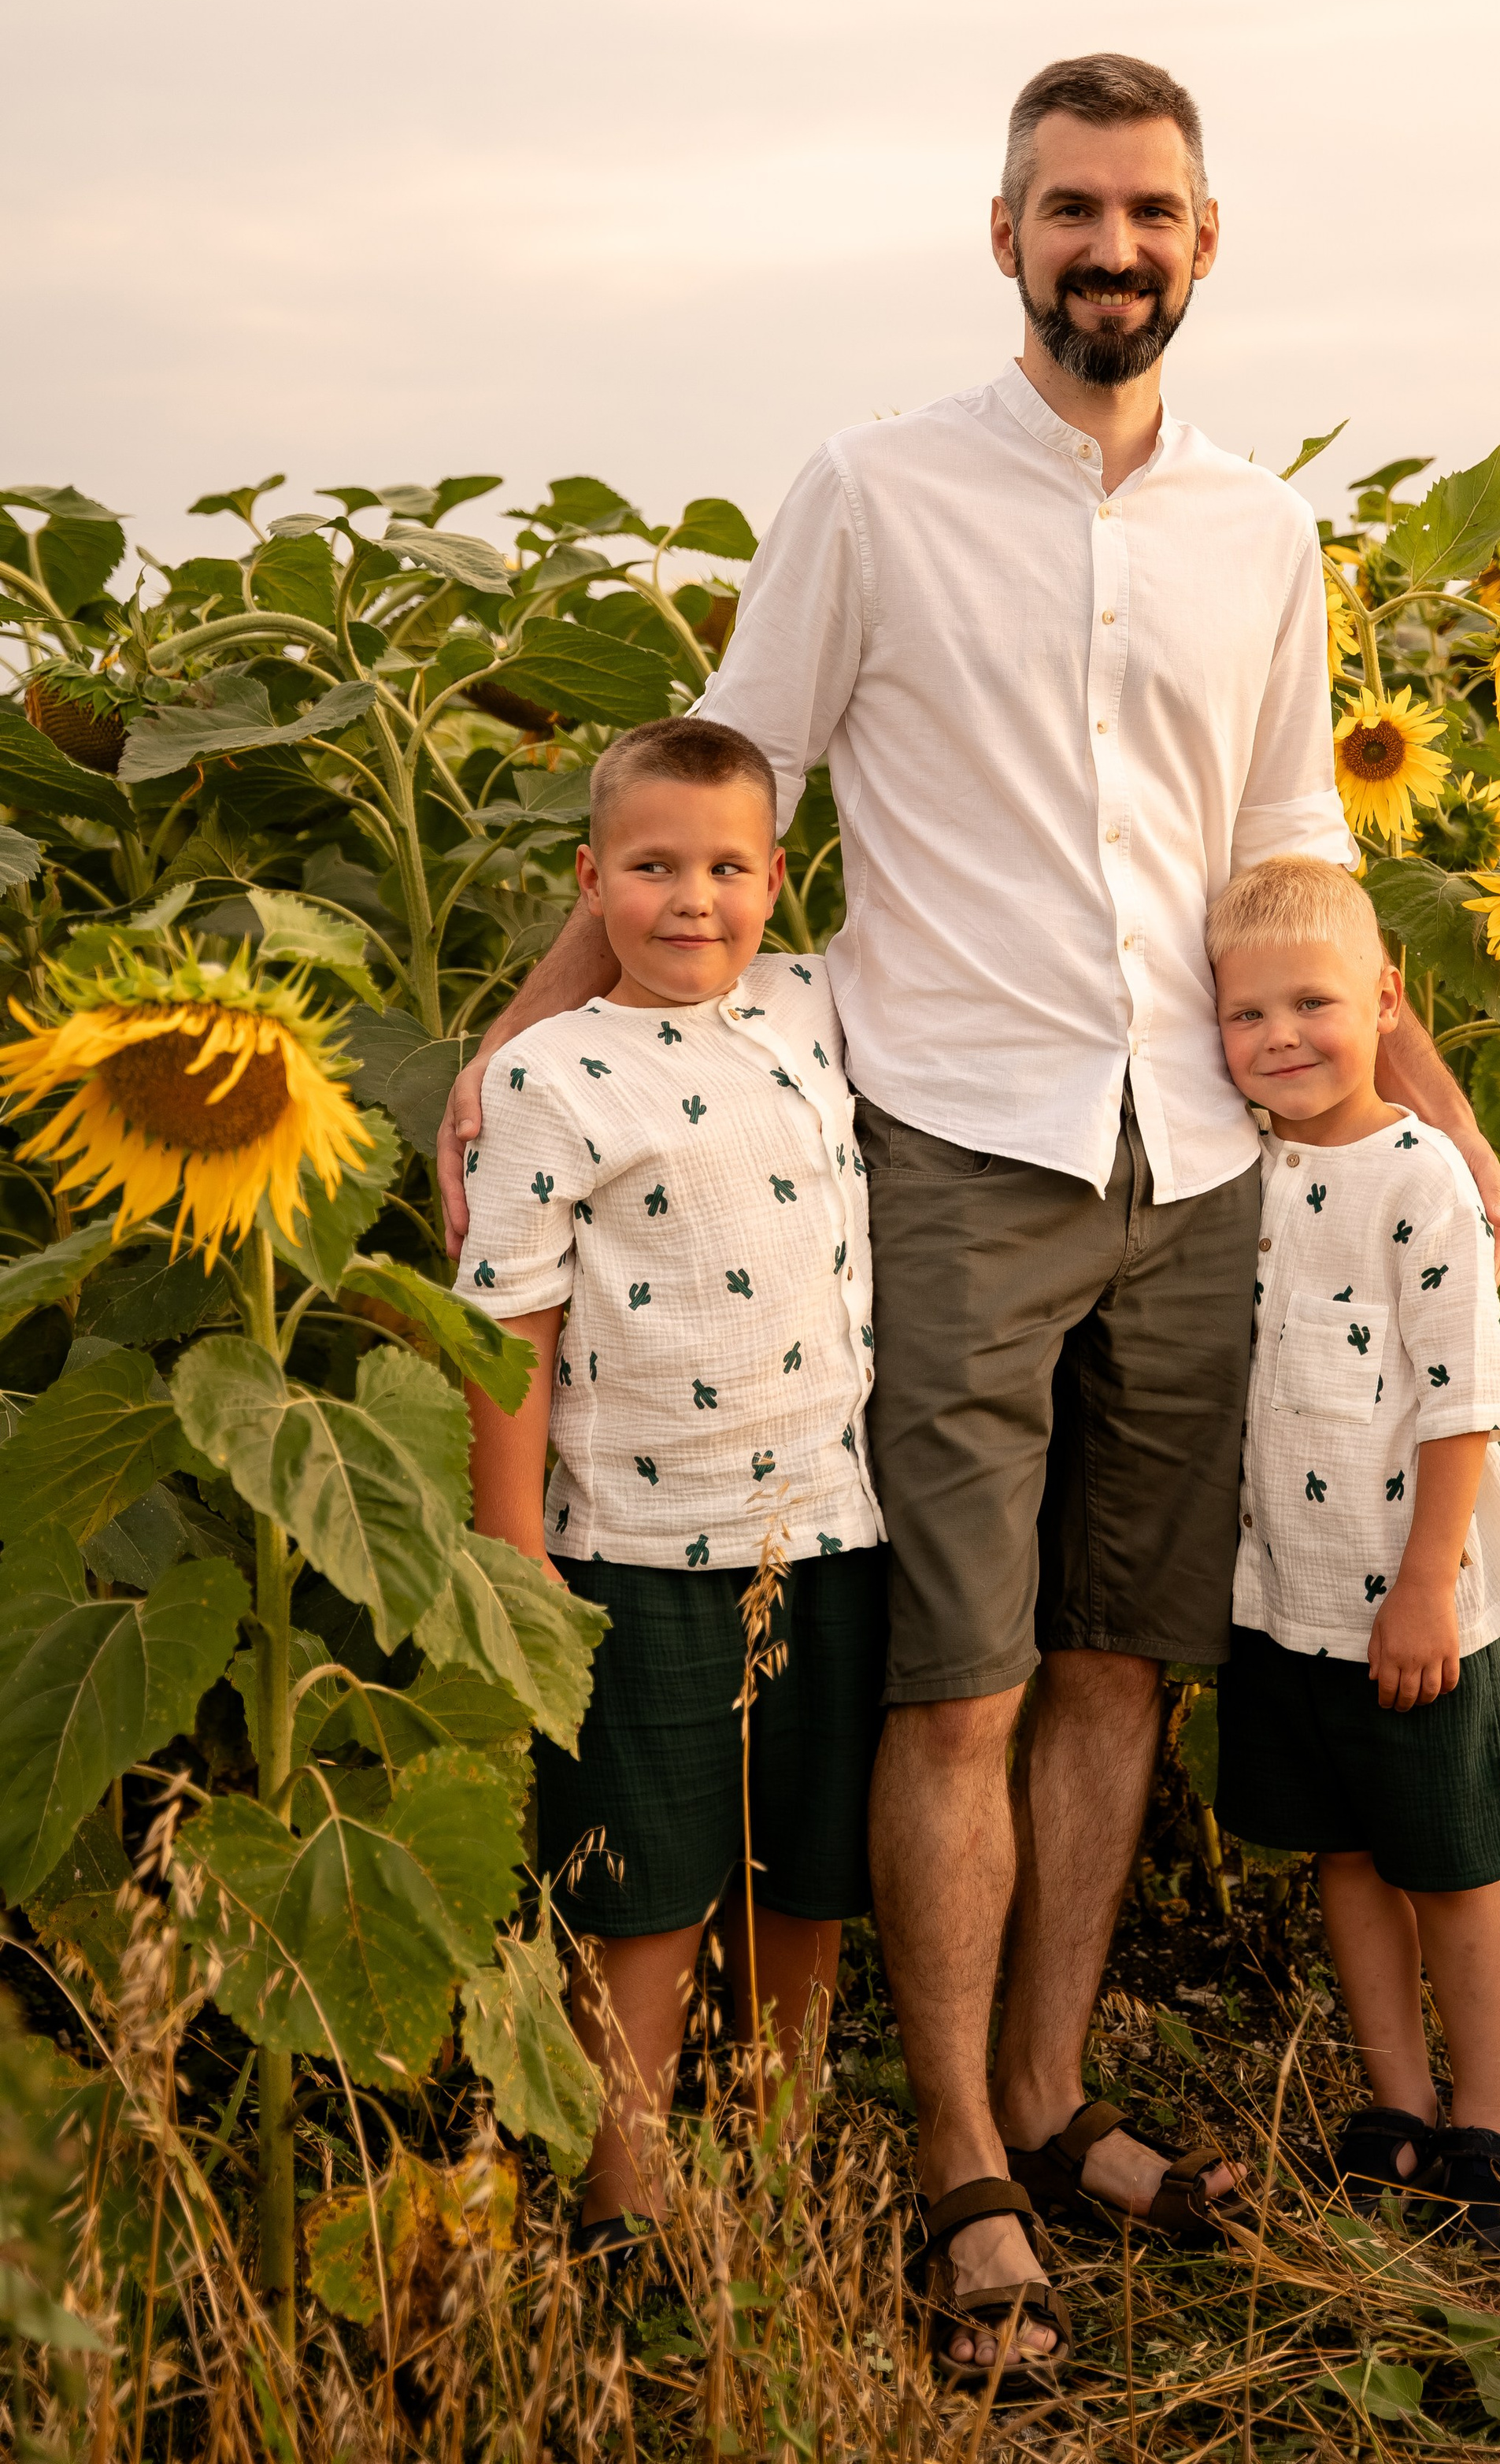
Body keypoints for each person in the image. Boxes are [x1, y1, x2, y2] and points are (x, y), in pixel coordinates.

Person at [440, 53, 1500, 2376]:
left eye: (1148, 209)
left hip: (1199, 1167)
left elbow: (1290, 839)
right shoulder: (876, 493)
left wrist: (1425, 1083)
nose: (1107, 246)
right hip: (950, 1150)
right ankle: (947, 2161)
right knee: (963, 1677)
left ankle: (1051, 2099)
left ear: (1205, 242)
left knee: (1122, 1661)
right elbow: (719, 787)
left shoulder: (1264, 530)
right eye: (1067, 208)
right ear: (1002, 232)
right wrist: (514, 1053)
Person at [453, 716, 887, 2247]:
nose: (689, 899)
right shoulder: (550, 1074)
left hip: (830, 1527)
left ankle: (771, 2166)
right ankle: (623, 2202)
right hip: (633, 1545)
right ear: (591, 882)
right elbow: (506, 1317)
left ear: (776, 881)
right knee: (645, 1890)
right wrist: (512, 1542)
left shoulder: (806, 1007)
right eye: (649, 868)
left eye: (723, 867)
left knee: (806, 1874)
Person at [1206, 853, 1500, 2251]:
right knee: (1346, 1856)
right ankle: (1394, 2106)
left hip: (1416, 1595)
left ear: (1386, 1002)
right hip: (1286, 1593)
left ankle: (1487, 2121)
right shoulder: (1242, 1168)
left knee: (1448, 1863)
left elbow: (1462, 1395)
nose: (1283, 1037)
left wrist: (1424, 1590)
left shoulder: (1419, 1177)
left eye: (1315, 1003)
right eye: (1248, 1016)